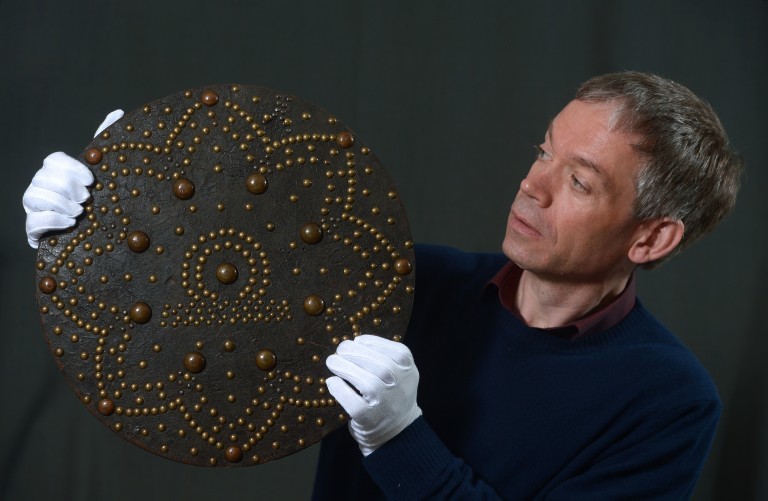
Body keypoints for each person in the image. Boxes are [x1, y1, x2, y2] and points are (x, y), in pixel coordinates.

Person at [24, 71, 742, 499]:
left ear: (651, 237)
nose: (532, 185)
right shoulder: (413, 280)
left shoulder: (670, 400)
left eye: (579, 180)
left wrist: (400, 438)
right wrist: (96, 224)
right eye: (543, 153)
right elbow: (207, 297)